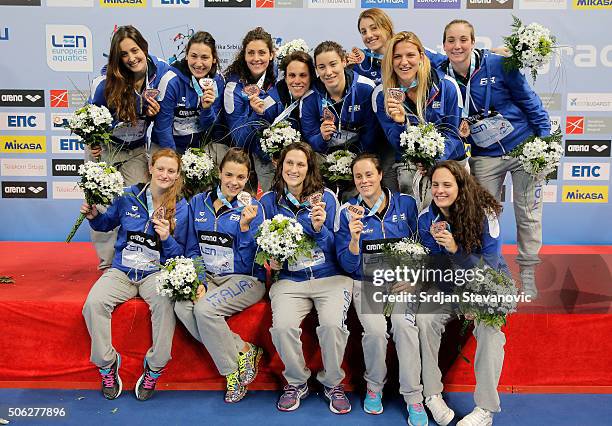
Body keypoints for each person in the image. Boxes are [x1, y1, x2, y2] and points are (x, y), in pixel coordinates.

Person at [439, 19, 551, 298]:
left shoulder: (499, 64)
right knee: (484, 216)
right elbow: (412, 50)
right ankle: (491, 270)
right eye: (451, 40)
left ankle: (527, 273)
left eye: (463, 39)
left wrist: (546, 142)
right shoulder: (442, 73)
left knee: (528, 214)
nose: (457, 46)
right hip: (485, 155)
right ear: (443, 46)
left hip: (523, 147)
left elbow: (529, 100)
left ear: (474, 42)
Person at [81, 148, 189, 401]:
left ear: (177, 176)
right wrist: (94, 216)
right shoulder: (128, 196)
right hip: (122, 270)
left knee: (165, 306)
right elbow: (106, 224)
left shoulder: (181, 207)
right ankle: (107, 364)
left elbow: (181, 254)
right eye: (160, 168)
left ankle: (154, 367)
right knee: (94, 303)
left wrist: (166, 238)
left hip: (155, 273)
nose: (164, 174)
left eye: (170, 171)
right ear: (150, 168)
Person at [259, 142, 353, 414]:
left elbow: (339, 246)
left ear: (310, 168)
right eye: (289, 163)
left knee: (333, 325)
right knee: (284, 326)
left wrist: (319, 229)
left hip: (330, 277)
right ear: (280, 165)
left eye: (301, 164)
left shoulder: (327, 198)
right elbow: (261, 246)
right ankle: (297, 381)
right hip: (290, 280)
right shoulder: (269, 201)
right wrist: (271, 260)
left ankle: (333, 383)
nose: (294, 169)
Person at [335, 154, 427, 425]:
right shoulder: (347, 211)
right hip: (366, 282)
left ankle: (414, 397)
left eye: (368, 174)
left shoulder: (407, 204)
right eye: (358, 176)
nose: (364, 181)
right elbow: (347, 264)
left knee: (404, 325)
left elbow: (422, 246)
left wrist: (414, 279)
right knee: (375, 331)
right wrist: (354, 240)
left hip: (402, 282)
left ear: (379, 175)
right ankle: (374, 386)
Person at [417, 160, 509, 426]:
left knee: (491, 332)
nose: (440, 190)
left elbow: (490, 265)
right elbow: (433, 268)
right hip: (448, 286)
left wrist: (456, 249)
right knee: (425, 319)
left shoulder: (484, 213)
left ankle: (485, 409)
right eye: (435, 185)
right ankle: (432, 394)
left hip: (486, 284)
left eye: (447, 184)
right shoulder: (427, 219)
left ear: (461, 185)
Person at [174, 148, 266, 404]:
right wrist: (200, 281)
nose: (234, 182)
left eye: (240, 177)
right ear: (219, 173)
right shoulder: (198, 203)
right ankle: (244, 349)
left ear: (247, 179)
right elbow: (193, 248)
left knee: (204, 311)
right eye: (229, 175)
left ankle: (230, 374)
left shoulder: (252, 207)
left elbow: (253, 261)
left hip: (245, 279)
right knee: (182, 307)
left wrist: (246, 228)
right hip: (210, 277)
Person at [88, 25, 170, 269]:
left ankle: (135, 257)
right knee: (102, 204)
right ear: (117, 58)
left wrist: (157, 113)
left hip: (134, 149)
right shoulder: (105, 83)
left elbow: (164, 117)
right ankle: (107, 263)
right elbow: (91, 118)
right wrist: (94, 140)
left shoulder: (160, 73)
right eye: (124, 54)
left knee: (136, 200)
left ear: (144, 47)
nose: (131, 58)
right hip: (105, 149)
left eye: (134, 50)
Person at [373, 31, 465, 208]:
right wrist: (400, 123)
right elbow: (396, 143)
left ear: (421, 57)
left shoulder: (446, 86)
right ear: (390, 61)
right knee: (412, 206)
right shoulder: (382, 95)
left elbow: (453, 134)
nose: (404, 62)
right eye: (397, 56)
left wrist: (433, 161)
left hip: (449, 159)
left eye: (410, 55)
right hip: (409, 164)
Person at [152, 30, 228, 162]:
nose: (198, 64)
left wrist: (206, 109)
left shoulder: (218, 81)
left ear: (214, 59)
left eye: (205, 57)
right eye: (194, 56)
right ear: (186, 55)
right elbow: (162, 128)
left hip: (199, 149)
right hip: (166, 146)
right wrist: (174, 161)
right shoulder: (171, 81)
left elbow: (209, 127)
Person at [300, 41, 379, 156]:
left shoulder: (365, 88)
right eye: (322, 67)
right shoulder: (309, 98)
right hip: (325, 157)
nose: (328, 72)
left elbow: (371, 134)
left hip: (362, 155)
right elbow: (310, 140)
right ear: (316, 69)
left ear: (344, 62)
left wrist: (354, 159)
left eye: (333, 64)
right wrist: (322, 137)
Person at [224, 27, 277, 192]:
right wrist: (256, 114)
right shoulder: (233, 86)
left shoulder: (281, 80)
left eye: (262, 53)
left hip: (271, 156)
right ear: (244, 55)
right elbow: (240, 138)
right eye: (251, 53)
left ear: (271, 54)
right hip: (242, 156)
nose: (256, 58)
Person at [262, 50, 316, 137]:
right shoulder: (270, 102)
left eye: (302, 75)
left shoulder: (321, 100)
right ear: (285, 78)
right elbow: (254, 140)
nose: (297, 81)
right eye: (292, 75)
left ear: (311, 77)